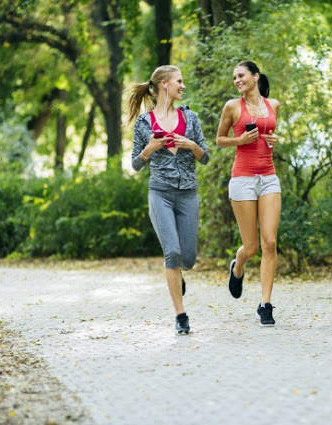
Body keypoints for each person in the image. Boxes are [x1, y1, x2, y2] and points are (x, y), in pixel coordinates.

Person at [127, 65, 209, 335]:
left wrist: (191, 145)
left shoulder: (191, 117)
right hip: (159, 193)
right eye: (179, 81)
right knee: (171, 253)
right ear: (164, 84)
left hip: (188, 194)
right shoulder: (143, 123)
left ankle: (179, 274)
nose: (182, 86)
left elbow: (205, 157)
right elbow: (135, 165)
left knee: (188, 259)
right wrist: (149, 149)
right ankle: (181, 315)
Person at [216, 60, 281, 326]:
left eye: (241, 75)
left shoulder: (273, 105)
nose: (237, 80)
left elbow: (271, 139)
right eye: (234, 78)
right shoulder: (232, 107)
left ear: (255, 76)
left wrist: (274, 140)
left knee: (270, 243)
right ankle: (238, 266)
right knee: (251, 247)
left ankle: (265, 304)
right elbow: (219, 139)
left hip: (268, 178)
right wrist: (238, 140)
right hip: (242, 179)